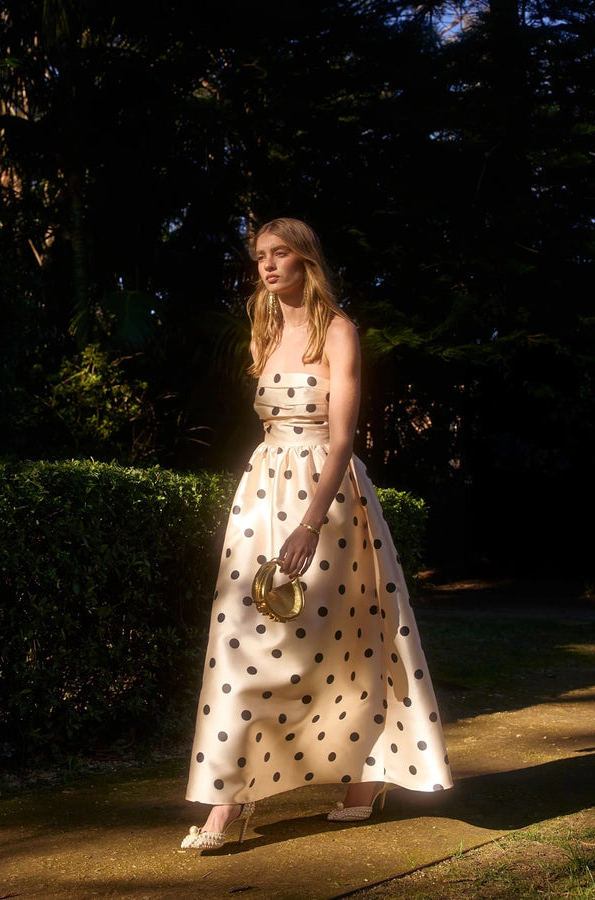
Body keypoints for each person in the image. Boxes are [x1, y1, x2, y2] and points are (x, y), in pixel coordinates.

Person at [181, 217, 452, 851]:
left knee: (343, 641)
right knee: (241, 640)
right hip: (260, 494)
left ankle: (364, 774)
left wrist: (309, 525)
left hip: (327, 502)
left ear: (307, 261)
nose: (267, 268)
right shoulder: (265, 332)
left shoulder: (339, 332)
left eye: (279, 256)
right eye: (259, 258)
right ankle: (228, 801)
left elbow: (341, 441)